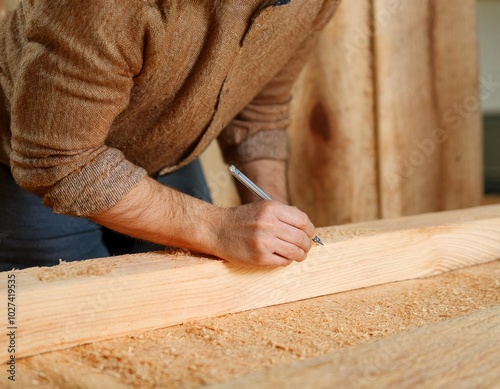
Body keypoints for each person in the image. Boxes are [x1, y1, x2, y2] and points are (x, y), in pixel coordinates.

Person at [0, 0, 339, 271]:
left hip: (164, 156)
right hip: (34, 164)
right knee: (71, 326)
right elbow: (60, 161)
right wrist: (216, 228)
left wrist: (274, 214)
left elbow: (261, 108)